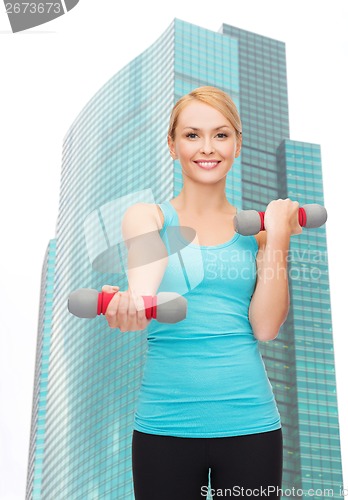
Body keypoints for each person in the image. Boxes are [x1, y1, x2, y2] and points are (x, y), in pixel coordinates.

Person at [103, 86, 302, 499]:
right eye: (192, 135)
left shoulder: (260, 234)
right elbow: (145, 274)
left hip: (252, 426)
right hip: (163, 427)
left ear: (237, 144)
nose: (207, 147)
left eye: (221, 134)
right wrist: (136, 303)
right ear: (172, 146)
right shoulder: (148, 217)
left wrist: (278, 238)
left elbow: (265, 327)